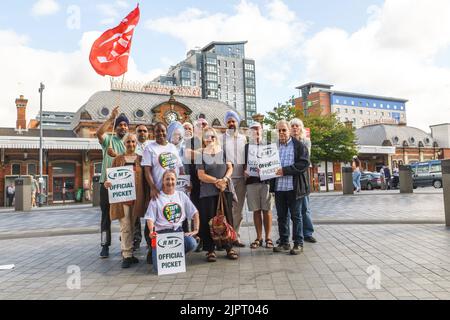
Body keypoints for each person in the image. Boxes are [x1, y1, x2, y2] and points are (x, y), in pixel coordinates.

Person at [141, 122, 184, 264]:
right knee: (154, 220)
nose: (161, 134)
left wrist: (184, 183)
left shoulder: (172, 147)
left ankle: (173, 248)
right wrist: (153, 187)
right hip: (158, 191)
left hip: (173, 189)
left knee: (172, 217)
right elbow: (146, 170)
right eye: (157, 131)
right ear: (154, 133)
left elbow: (179, 167)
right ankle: (152, 248)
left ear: (167, 132)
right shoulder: (149, 148)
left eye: (163, 131)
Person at [104, 133, 147, 268]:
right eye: (128, 142)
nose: (131, 144)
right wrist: (107, 183)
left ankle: (131, 252)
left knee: (133, 225)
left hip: (137, 197)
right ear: (124, 143)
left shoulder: (141, 159)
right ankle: (126, 255)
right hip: (123, 198)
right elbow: (111, 178)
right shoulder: (118, 159)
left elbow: (146, 179)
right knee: (125, 226)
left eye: (133, 142)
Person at [197, 127, 239, 262]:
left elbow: (230, 168)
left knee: (227, 218)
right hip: (208, 193)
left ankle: (229, 247)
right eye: (207, 137)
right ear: (204, 139)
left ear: (216, 138)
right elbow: (201, 175)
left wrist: (224, 180)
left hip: (224, 190)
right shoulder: (201, 154)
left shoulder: (223, 151)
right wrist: (216, 181)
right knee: (208, 220)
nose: (210, 139)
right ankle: (210, 250)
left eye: (212, 136)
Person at [145, 170, 200, 268]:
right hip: (161, 234)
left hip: (177, 231)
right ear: (162, 181)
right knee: (157, 267)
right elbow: (150, 217)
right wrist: (150, 231)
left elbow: (194, 212)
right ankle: (164, 253)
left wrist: (196, 230)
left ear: (176, 181)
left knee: (192, 243)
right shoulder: (157, 196)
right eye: (167, 179)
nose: (170, 182)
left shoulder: (181, 195)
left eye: (172, 179)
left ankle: (175, 255)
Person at [271, 120, 310, 255]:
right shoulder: (273, 147)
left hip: (294, 187)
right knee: (281, 216)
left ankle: (298, 243)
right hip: (279, 188)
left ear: (289, 131)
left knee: (296, 216)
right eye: (279, 130)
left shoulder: (299, 146)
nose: (281, 132)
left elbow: (304, 164)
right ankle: (284, 242)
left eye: (284, 130)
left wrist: (285, 170)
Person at [96, 106, 128, 258]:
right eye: (120, 124)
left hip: (123, 185)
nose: (123, 127)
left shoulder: (129, 144)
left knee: (126, 217)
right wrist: (110, 118)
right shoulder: (109, 139)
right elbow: (99, 133)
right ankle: (104, 245)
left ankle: (126, 245)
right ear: (115, 128)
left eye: (125, 125)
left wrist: (116, 156)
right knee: (105, 217)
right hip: (106, 184)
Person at [244, 122, 274, 249]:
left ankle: (268, 237)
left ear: (262, 130)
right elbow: (243, 164)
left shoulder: (269, 145)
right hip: (251, 181)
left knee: (267, 210)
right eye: (253, 129)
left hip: (266, 181)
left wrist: (267, 169)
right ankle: (259, 237)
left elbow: (273, 163)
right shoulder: (246, 147)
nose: (256, 131)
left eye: (258, 129)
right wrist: (245, 171)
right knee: (256, 211)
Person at [221, 111, 247, 248]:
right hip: (227, 179)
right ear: (226, 123)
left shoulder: (244, 139)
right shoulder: (221, 139)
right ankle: (226, 236)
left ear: (237, 122)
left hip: (241, 178)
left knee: (239, 210)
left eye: (233, 121)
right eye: (229, 121)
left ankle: (235, 236)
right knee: (227, 209)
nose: (231, 124)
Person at [290, 118, 317, 243]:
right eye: (293, 126)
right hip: (289, 176)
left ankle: (307, 232)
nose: (295, 128)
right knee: (291, 209)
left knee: (305, 207)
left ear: (301, 128)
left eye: (297, 126)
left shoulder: (306, 141)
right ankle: (294, 234)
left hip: (302, 176)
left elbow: (305, 160)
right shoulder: (285, 142)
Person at [133, 124, 151, 251]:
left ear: (148, 134)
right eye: (139, 131)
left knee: (149, 211)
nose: (142, 133)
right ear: (135, 133)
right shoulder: (131, 146)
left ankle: (149, 240)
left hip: (149, 183)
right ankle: (136, 240)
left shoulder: (152, 147)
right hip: (136, 183)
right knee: (135, 212)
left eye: (145, 131)